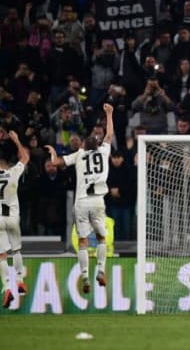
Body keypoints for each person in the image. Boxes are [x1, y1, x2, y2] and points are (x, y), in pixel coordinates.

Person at [45, 103, 115, 294]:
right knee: (101, 238)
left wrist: (52, 153)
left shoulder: (79, 155)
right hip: (98, 201)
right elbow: (109, 135)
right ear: (98, 145)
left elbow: (56, 163)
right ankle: (100, 270)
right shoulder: (104, 151)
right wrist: (109, 114)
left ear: (84, 145)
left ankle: (85, 276)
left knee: (83, 241)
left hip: (82, 202)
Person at [0, 129, 29, 308]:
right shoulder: (13, 173)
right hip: (12, 218)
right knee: (16, 250)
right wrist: (17, 141)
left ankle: (8, 287)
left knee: (2, 255)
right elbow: (25, 158)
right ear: (7, 168)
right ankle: (20, 281)